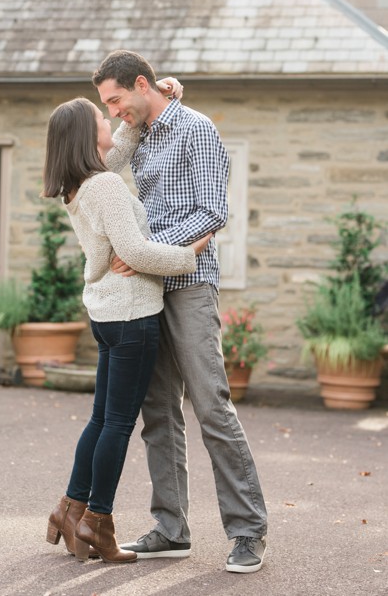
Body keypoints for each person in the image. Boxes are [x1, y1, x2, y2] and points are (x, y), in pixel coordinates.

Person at [93, 50, 268, 573]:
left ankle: (248, 531)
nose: (113, 113)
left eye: (117, 100)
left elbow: (213, 211)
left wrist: (148, 252)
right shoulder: (139, 133)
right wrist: (131, 119)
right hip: (147, 290)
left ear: (143, 84)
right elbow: (101, 167)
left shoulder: (197, 129)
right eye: (107, 105)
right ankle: (172, 529)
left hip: (190, 283)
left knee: (212, 406)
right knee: (158, 411)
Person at [42, 95, 210, 563]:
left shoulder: (75, 185)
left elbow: (115, 152)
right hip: (132, 313)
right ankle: (98, 521)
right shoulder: (107, 188)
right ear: (84, 134)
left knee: (100, 419)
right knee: (116, 424)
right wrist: (190, 254)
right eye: (102, 118)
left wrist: (158, 99)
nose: (111, 118)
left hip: (105, 314)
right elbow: (135, 253)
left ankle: (68, 509)